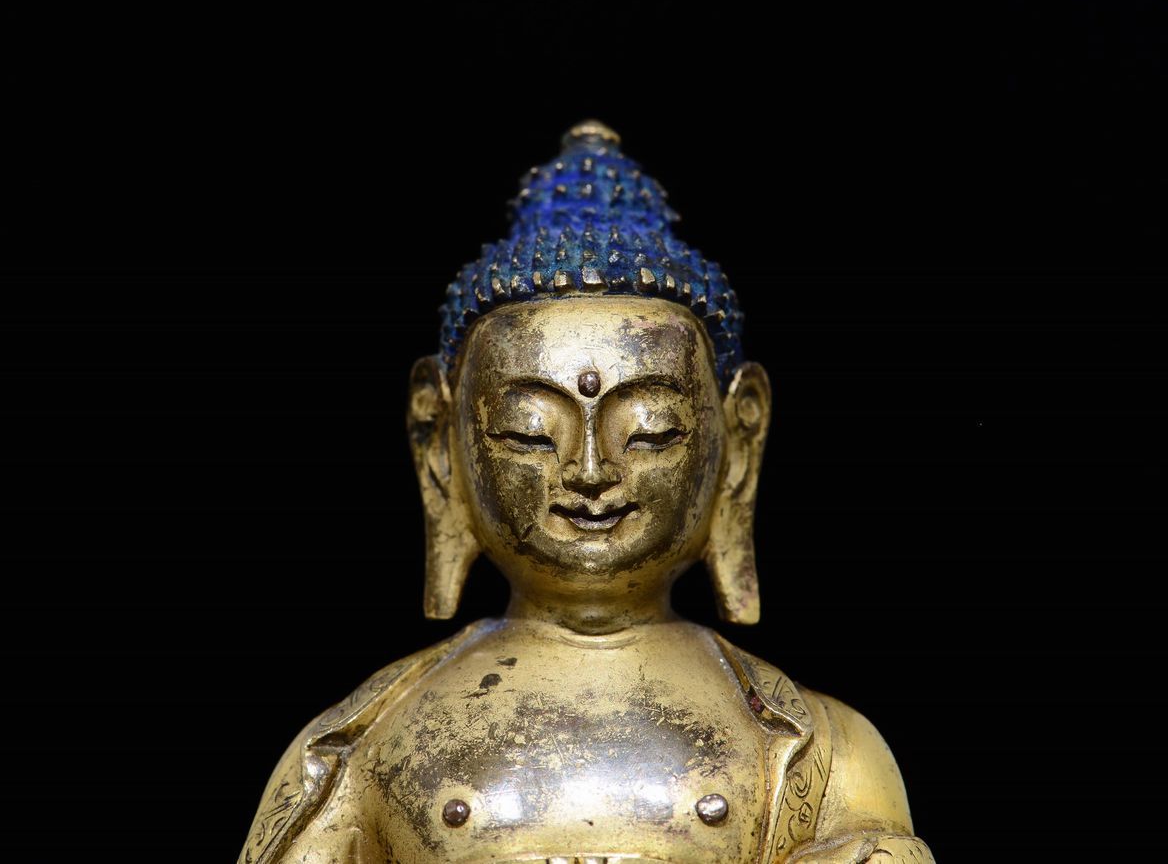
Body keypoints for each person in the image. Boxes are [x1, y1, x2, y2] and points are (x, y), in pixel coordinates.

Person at [239, 121, 934, 863]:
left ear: (737, 439)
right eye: (530, 432)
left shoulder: (817, 746)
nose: (591, 471)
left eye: (652, 430)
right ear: (441, 442)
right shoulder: (364, 744)